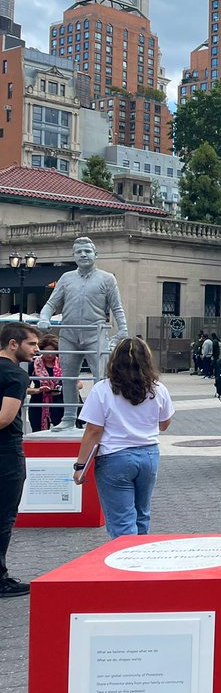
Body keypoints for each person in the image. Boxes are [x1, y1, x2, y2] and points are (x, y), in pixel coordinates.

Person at [71, 337, 174, 538]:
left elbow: (93, 430)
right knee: (142, 515)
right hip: (149, 455)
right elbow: (164, 423)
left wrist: (80, 466)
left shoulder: (102, 389)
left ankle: (127, 563)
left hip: (114, 456)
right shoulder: (157, 388)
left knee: (122, 521)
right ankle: (142, 560)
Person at [37, 236, 129, 428]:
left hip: (95, 333)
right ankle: (69, 417)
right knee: (68, 377)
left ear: (96, 254)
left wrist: (123, 330)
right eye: (79, 252)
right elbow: (51, 304)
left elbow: (117, 308)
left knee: (101, 378)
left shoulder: (107, 279)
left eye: (87, 251)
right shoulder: (66, 278)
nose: (83, 255)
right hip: (68, 334)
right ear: (73, 256)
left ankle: (100, 419)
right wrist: (44, 318)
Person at [0, 323, 40, 598]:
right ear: (13, 344)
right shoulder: (15, 375)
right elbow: (4, 418)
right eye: (32, 344)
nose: (36, 350)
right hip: (6, 453)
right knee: (3, 516)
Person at [30, 334, 67, 431]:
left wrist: (61, 389)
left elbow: (79, 384)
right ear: (41, 350)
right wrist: (38, 390)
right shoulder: (33, 365)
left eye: (53, 352)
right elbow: (25, 388)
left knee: (62, 433)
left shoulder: (64, 363)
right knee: (37, 432)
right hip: (39, 402)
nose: (50, 355)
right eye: (47, 352)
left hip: (60, 401)